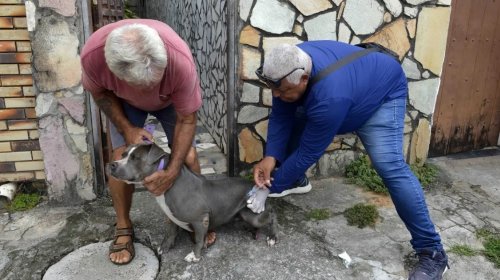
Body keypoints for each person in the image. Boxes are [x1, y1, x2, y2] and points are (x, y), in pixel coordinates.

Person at [247, 41, 448, 280]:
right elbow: (281, 114)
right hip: (350, 92)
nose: (276, 95)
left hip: (382, 94)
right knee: (295, 112)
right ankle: (296, 181)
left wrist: (270, 187)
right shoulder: (289, 63)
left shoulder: (330, 98)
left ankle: (433, 252)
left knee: (389, 166)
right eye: (274, 89)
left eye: (281, 90)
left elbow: (308, 153)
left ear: (303, 79)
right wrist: (271, 157)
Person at [81, 19, 215, 265]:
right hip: (124, 105)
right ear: (114, 70)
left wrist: (172, 171)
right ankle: (123, 226)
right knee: (120, 156)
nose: (149, 91)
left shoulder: (179, 62)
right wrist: (127, 128)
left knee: (189, 157)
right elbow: (99, 94)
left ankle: (199, 216)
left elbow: (187, 120)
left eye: (155, 81)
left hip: (171, 102)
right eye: (143, 86)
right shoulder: (93, 57)